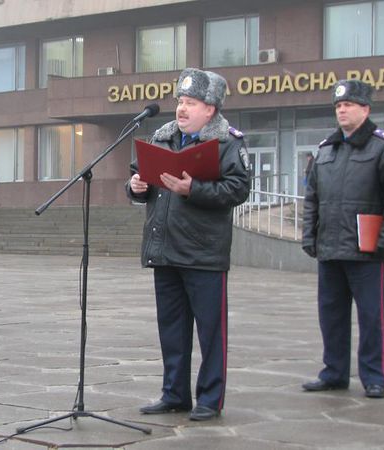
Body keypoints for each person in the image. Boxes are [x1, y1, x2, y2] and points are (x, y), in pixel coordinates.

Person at [126, 68, 250, 421]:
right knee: (172, 329)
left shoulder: (227, 142)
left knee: (211, 332)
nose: (182, 109)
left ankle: (210, 398)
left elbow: (238, 190)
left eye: (190, 103)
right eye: (180, 102)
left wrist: (192, 189)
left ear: (210, 109)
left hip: (203, 253)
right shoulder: (162, 138)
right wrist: (136, 187)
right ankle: (174, 393)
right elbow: (142, 181)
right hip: (164, 250)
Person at [301, 79, 384, 399]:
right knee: (331, 316)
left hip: (367, 251)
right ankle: (334, 372)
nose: (342, 110)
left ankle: (374, 376)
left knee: (371, 317)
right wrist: (310, 237)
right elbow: (312, 198)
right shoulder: (325, 150)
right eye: (338, 106)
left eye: (349, 105)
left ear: (366, 109)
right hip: (331, 249)